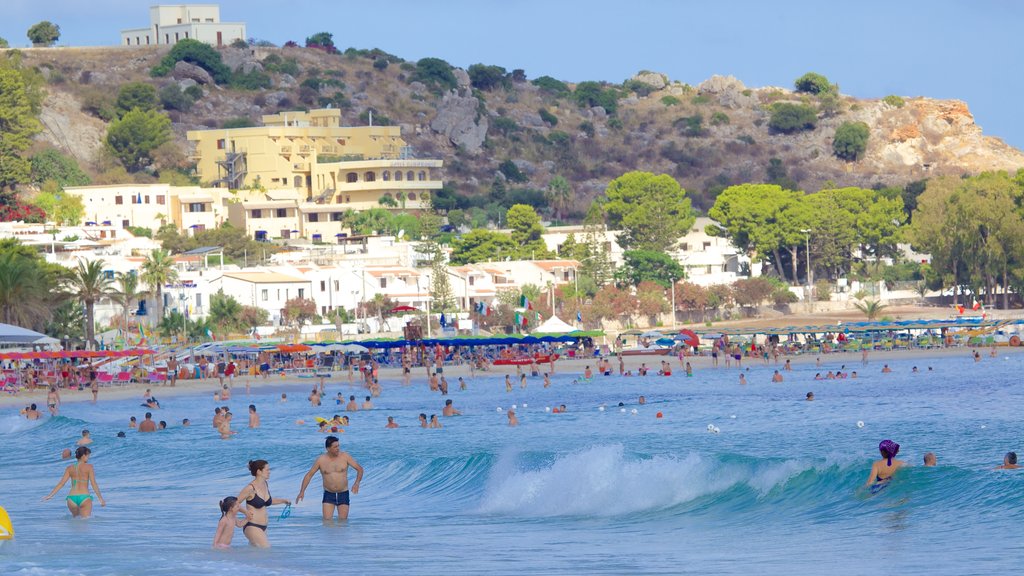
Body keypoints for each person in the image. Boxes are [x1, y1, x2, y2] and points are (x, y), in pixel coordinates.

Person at [296, 436, 363, 522]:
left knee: (343, 522)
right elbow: (309, 475)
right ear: (328, 448)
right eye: (335, 447)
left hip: (343, 493)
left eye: (338, 446)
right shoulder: (321, 460)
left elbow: (360, 469)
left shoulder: (345, 456)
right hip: (329, 494)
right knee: (327, 521)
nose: (338, 448)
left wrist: (357, 483)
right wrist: (302, 491)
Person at [236, 459, 290, 547]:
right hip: (252, 526)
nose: (269, 472)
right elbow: (234, 504)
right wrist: (245, 512)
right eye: (267, 470)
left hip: (263, 528)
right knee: (266, 550)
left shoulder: (265, 484)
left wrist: (283, 501)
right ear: (259, 471)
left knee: (257, 556)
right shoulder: (250, 488)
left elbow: (268, 500)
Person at [42, 446, 106, 518]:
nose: (88, 458)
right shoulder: (89, 467)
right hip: (84, 497)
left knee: (75, 523)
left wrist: (50, 495)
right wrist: (100, 499)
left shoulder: (69, 468)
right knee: (85, 524)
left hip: (71, 499)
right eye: (88, 456)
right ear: (83, 455)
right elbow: (93, 483)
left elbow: (61, 483)